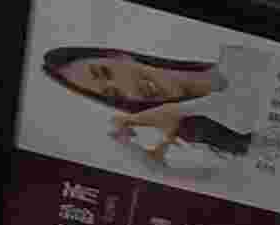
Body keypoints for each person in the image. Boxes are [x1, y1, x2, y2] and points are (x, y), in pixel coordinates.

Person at [42, 43, 255, 166]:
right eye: (113, 93)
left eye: (106, 72)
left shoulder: (241, 60)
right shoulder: (198, 133)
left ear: (120, 56)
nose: (129, 89)